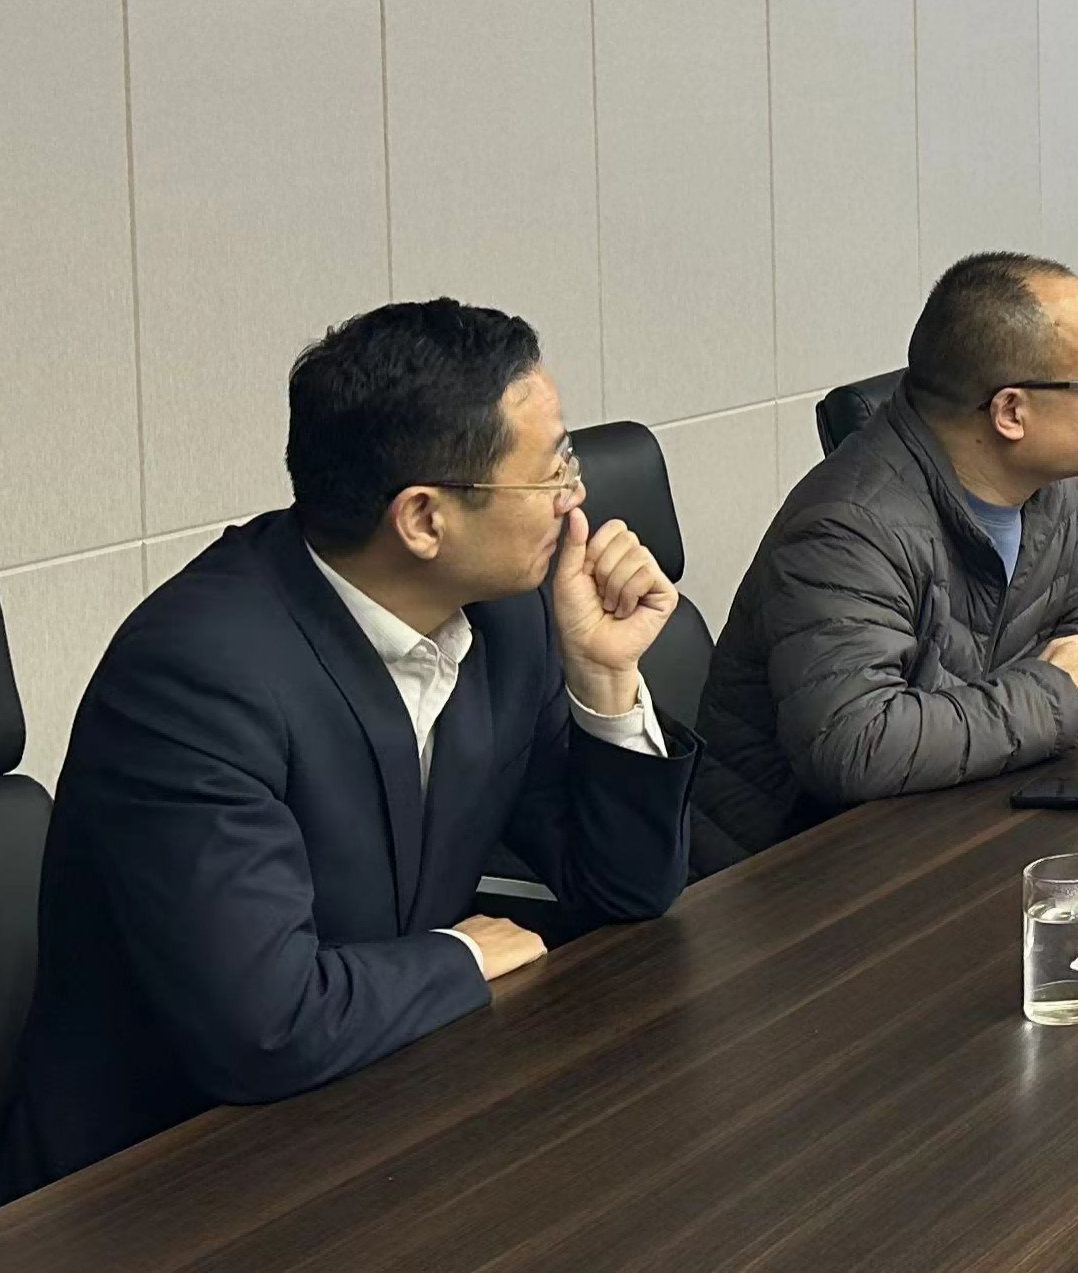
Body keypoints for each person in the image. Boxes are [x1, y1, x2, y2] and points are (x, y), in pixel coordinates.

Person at [1, 301, 699, 1197]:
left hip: (382, 1104)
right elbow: (264, 1028)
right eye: (552, 470)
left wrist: (602, 678)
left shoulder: (510, 616)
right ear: (423, 520)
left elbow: (625, 888)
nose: (576, 499)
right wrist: (458, 956)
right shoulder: (196, 677)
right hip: (157, 1181)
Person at [691, 254, 1078, 872]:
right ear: (1011, 412)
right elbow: (854, 743)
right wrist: (1051, 697)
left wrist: (999, 716)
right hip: (798, 874)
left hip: (968, 818)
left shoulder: (1051, 482)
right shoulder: (848, 527)